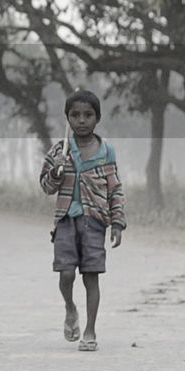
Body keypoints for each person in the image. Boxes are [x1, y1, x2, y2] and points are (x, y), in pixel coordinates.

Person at [39, 89, 125, 353]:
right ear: (67, 119)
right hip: (65, 221)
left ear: (97, 118)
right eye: (75, 115)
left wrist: (118, 222)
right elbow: (46, 186)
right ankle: (70, 307)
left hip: (95, 222)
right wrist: (56, 171)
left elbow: (115, 188)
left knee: (91, 277)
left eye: (88, 115)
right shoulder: (59, 151)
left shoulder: (106, 151)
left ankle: (90, 330)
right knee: (66, 274)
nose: (81, 120)